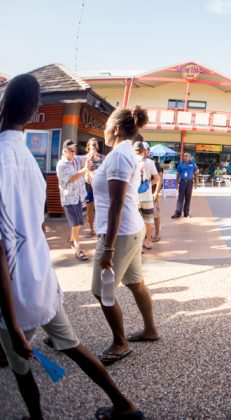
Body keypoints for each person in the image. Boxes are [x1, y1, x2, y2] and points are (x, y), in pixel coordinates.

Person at [0, 73, 143, 420]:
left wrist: (13, 323)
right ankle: (124, 404)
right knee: (75, 346)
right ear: (35, 110)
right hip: (41, 279)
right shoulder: (28, 163)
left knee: (21, 367)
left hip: (14, 292)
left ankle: (35, 417)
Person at [91, 106, 160, 366]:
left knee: (101, 290)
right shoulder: (121, 154)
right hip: (130, 229)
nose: (104, 131)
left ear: (117, 129)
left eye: (106, 126)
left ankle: (120, 342)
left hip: (120, 233)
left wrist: (107, 248)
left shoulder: (119, 156)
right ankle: (150, 330)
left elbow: (116, 204)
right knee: (135, 282)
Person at [56, 139, 89, 261]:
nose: (73, 153)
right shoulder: (61, 165)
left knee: (79, 223)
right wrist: (84, 169)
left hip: (79, 197)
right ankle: (77, 249)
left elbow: (86, 157)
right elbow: (72, 179)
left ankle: (71, 239)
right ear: (65, 151)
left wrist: (92, 151)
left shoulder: (75, 159)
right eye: (71, 151)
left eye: (74, 150)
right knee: (76, 224)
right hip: (68, 198)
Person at [134, 140, 158, 250]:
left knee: (135, 221)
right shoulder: (149, 162)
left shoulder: (131, 161)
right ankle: (148, 241)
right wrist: (149, 184)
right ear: (144, 151)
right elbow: (157, 178)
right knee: (148, 220)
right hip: (147, 196)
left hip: (134, 198)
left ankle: (138, 244)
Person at [84, 137, 104, 238]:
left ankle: (100, 229)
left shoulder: (103, 158)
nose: (94, 146)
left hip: (100, 186)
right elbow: (83, 172)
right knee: (89, 208)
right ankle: (91, 230)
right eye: (92, 144)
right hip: (88, 186)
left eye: (95, 144)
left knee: (100, 208)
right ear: (88, 146)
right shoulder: (85, 158)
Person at [172, 153, 198, 218]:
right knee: (180, 198)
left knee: (188, 198)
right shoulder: (180, 164)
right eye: (184, 156)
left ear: (189, 157)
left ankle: (186, 213)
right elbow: (177, 175)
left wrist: (196, 183)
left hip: (190, 183)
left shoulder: (193, 164)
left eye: (187, 156)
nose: (185, 157)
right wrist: (176, 184)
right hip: (182, 182)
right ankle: (178, 213)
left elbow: (195, 174)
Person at [152, 156, 163, 242]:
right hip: (139, 193)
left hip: (152, 192)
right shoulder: (135, 160)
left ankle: (157, 233)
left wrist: (156, 192)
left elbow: (160, 178)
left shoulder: (153, 162)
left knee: (155, 213)